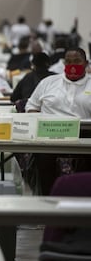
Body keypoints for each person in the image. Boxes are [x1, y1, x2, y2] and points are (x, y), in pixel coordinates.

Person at [25, 47, 91, 195]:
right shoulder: (48, 82)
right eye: (68, 62)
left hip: (84, 136)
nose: (72, 65)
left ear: (86, 63)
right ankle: (47, 198)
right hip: (49, 135)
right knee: (43, 158)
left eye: (77, 61)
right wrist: (38, 121)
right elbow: (31, 106)